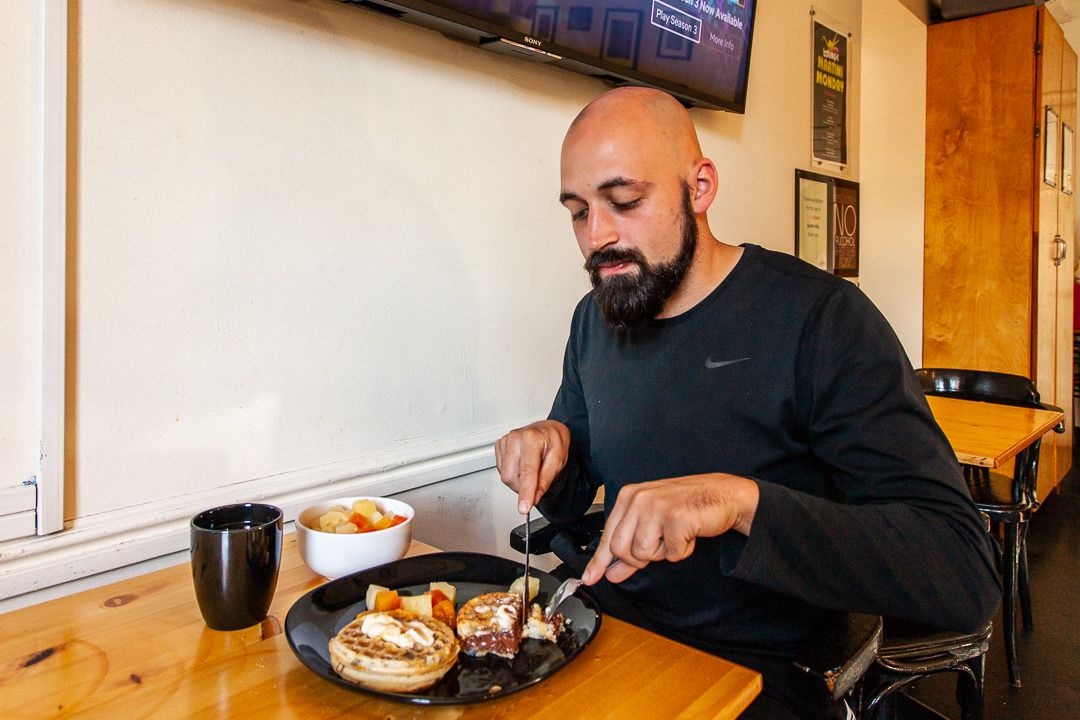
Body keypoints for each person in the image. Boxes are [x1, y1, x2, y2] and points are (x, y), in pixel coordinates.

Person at [494, 87, 1000, 719]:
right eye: (577, 211)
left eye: (625, 202)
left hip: (760, 674)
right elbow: (572, 494)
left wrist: (739, 504)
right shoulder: (596, 322)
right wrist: (548, 453)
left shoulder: (821, 320)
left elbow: (960, 570)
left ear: (700, 187)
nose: (598, 236)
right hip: (613, 638)